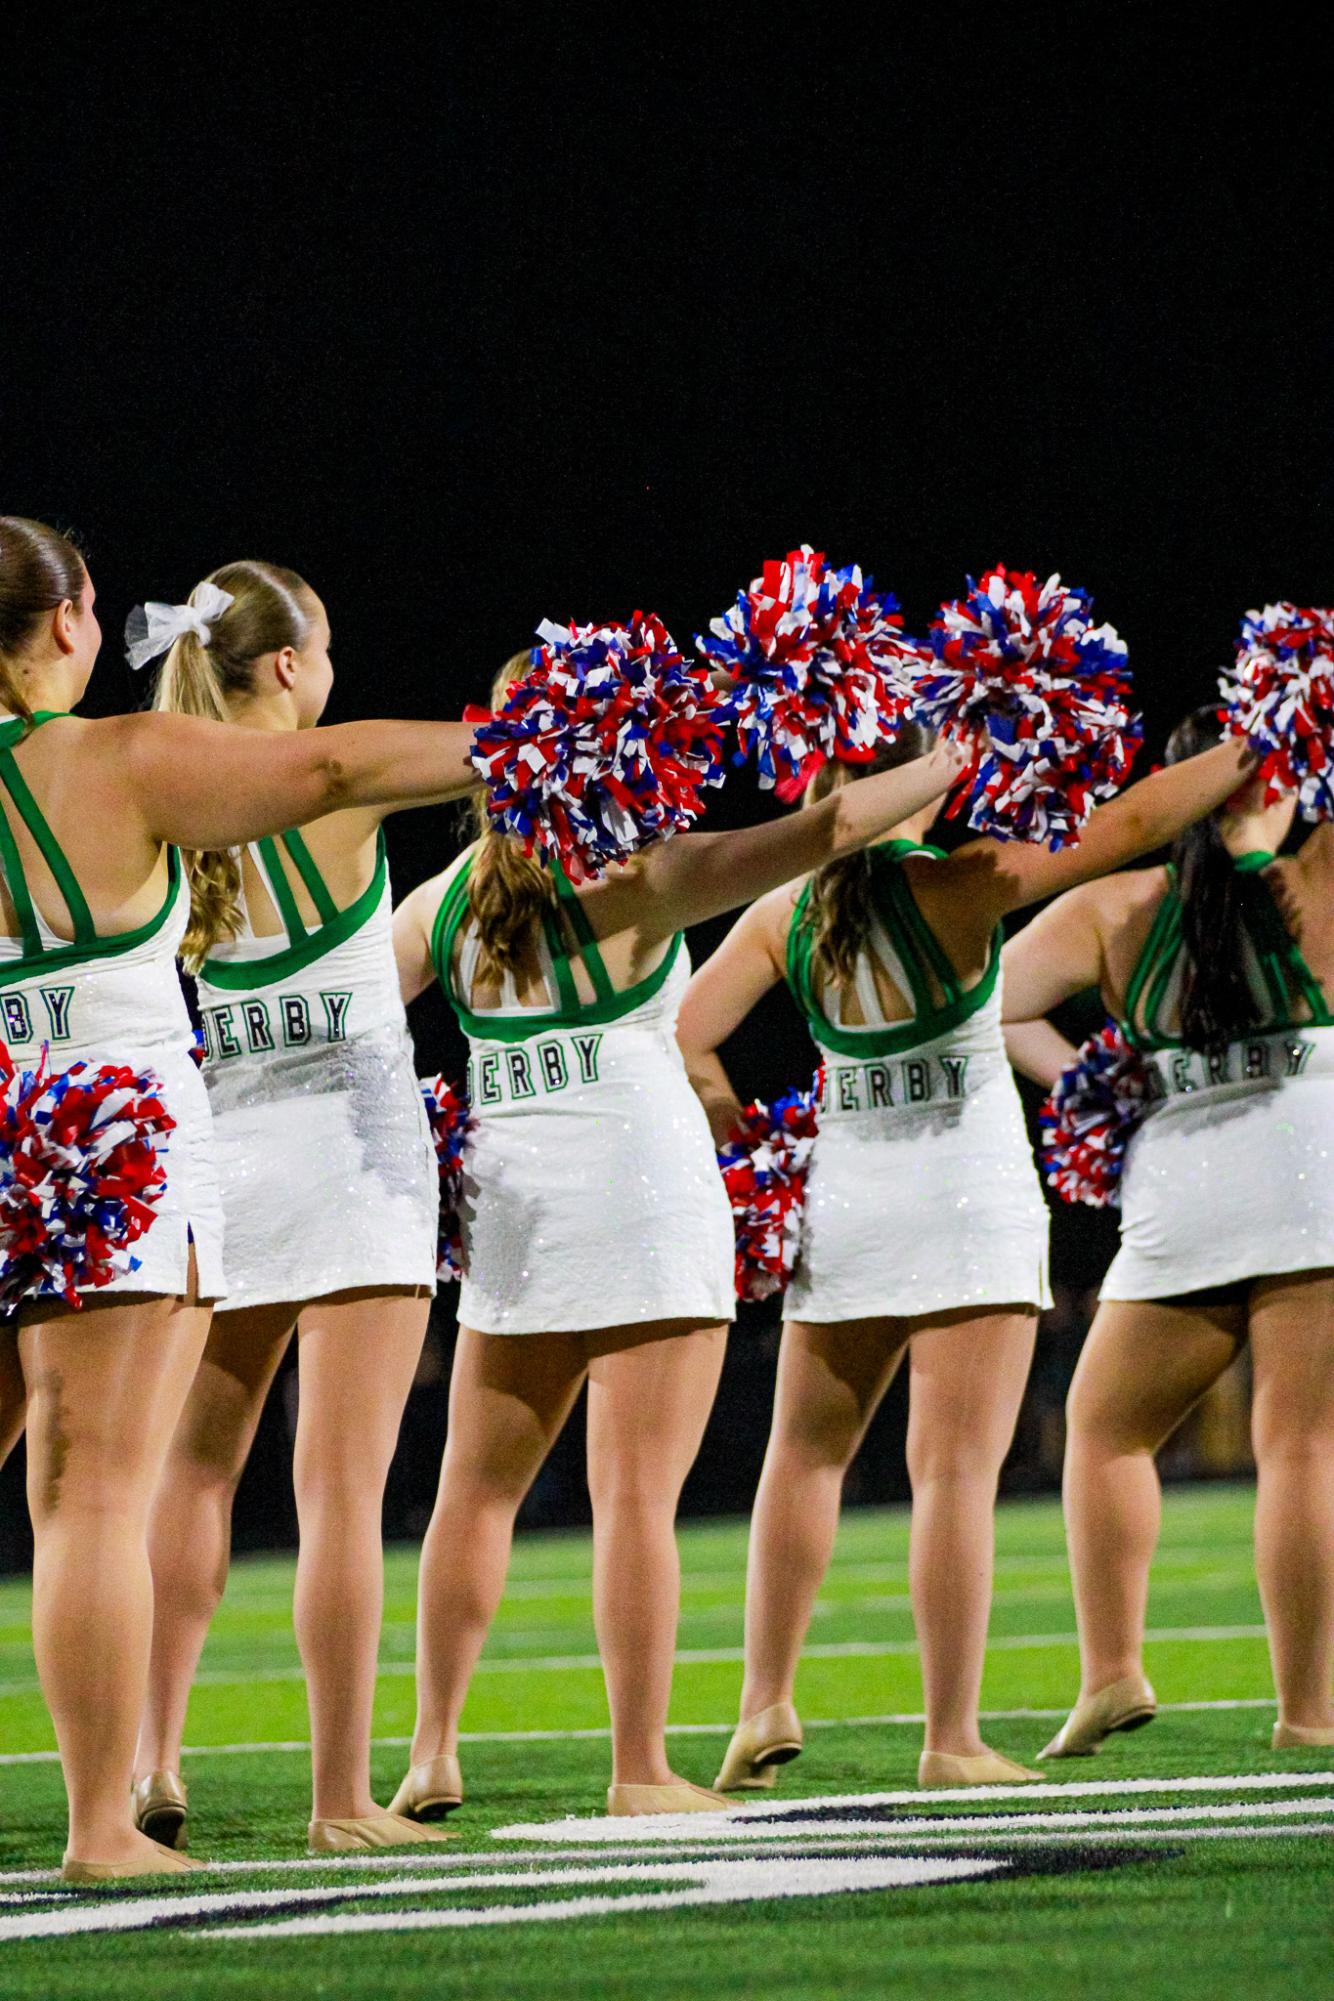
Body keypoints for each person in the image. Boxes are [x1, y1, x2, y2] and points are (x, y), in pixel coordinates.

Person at [387, 662, 965, 1819]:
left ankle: (429, 1753)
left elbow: (352, 1033)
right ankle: (639, 1772)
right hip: (643, 1199)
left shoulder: (441, 902)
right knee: (635, 1498)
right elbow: (839, 821)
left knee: (473, 1493)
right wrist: (959, 749)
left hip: (514, 1209)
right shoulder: (651, 874)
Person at [0, 516, 481, 1881]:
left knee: (129, 1486)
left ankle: (144, 1770)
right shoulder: (124, 757)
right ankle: (105, 1822)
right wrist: (540, 733)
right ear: (71, 619)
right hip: (112, 1144)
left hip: (8, 1120)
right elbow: (333, 762)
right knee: (93, 1496)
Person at [675, 724, 1255, 1791]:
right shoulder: (961, 884)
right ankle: (948, 1741)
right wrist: (1252, 741)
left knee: (801, 1459)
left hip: (845, 1202)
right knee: (949, 1474)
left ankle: (760, 1704)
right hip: (964, 1201)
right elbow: (1124, 826)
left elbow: (687, 1034)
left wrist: (743, 1142)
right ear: (922, 782)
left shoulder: (782, 913)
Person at [131, 561, 463, 1855]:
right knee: (339, 1492)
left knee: (192, 1472)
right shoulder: (334, 770)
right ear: (287, 667)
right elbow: (492, 764)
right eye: (320, 646)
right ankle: (339, 1803)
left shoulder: (167, 793)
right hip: (358, 1154)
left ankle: (154, 1760)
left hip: (227, 1149)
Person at [1002, 707, 1334, 1757]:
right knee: (1300, 1445)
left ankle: (1109, 1674)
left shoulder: (1112, 907)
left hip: (1180, 1182)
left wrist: (1090, 1082)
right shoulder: (1316, 881)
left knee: (1102, 1434)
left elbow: (985, 1003)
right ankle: (1307, 1714)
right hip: (1309, 1165)